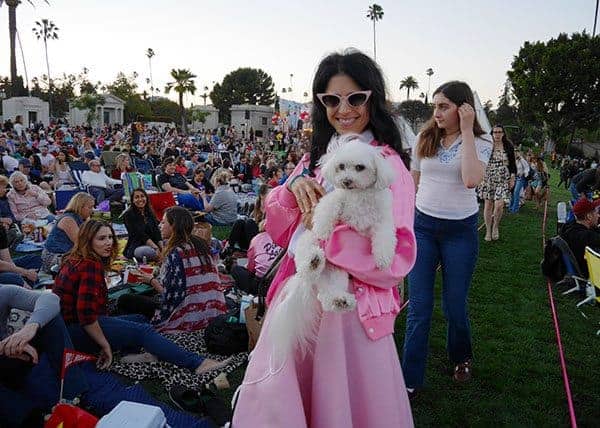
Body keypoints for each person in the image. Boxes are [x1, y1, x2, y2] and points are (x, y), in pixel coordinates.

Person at [232, 49, 416, 427]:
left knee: (341, 406)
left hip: (350, 314)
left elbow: (396, 257)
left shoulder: (387, 163)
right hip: (299, 298)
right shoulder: (315, 158)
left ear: (372, 99)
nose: (343, 109)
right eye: (331, 99)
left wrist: (324, 239)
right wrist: (290, 188)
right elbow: (276, 223)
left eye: (355, 98)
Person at [403, 81, 492, 392]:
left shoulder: (480, 141)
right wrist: (404, 222)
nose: (436, 112)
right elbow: (411, 184)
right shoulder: (424, 137)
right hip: (423, 228)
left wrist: (467, 131)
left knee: (454, 305)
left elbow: (470, 179)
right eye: (435, 106)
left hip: (460, 232)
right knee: (418, 307)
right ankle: (410, 380)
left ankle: (461, 356)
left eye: (443, 106)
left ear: (462, 108)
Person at [52, 220, 230, 374]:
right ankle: (197, 363)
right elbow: (86, 316)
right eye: (101, 238)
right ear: (87, 240)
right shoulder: (89, 266)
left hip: (71, 327)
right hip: (74, 332)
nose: (108, 243)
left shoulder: (76, 259)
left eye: (110, 237)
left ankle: (130, 354)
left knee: (139, 318)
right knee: (142, 331)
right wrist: (105, 346)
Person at [0, 285, 89, 427]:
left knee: (51, 318)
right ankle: (35, 419)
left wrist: (30, 328)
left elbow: (50, 298)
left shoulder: (2, 291)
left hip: (13, 356)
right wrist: (5, 347)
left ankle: (74, 397)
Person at [129, 206, 227, 332]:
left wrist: (151, 281)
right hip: (213, 312)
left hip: (187, 318)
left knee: (126, 301)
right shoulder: (200, 244)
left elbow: (170, 296)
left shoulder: (176, 253)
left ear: (174, 226)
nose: (160, 225)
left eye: (163, 222)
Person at [477, 125, 516, 241]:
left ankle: (495, 226)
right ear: (492, 133)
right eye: (495, 132)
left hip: (503, 179)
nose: (497, 134)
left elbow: (512, 163)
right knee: (488, 204)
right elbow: (481, 160)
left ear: (503, 133)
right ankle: (488, 230)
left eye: (499, 132)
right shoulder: (487, 145)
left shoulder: (508, 146)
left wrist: (512, 177)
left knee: (499, 205)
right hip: (488, 178)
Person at [41, 192, 95, 273]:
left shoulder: (81, 218)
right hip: (55, 256)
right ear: (80, 207)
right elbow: (81, 243)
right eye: (90, 207)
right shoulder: (68, 220)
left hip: (68, 253)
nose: (93, 210)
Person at [560, 197, 600, 277]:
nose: (598, 215)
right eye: (596, 213)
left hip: (572, 267)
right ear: (589, 216)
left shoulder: (568, 228)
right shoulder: (587, 237)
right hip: (591, 273)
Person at [122, 188, 162, 261]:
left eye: (142, 196)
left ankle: (162, 255)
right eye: (137, 197)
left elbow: (157, 232)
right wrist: (156, 248)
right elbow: (141, 235)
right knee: (149, 252)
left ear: (146, 198)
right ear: (133, 201)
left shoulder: (149, 212)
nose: (140, 199)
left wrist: (163, 248)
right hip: (138, 245)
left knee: (170, 244)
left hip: (154, 243)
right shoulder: (128, 215)